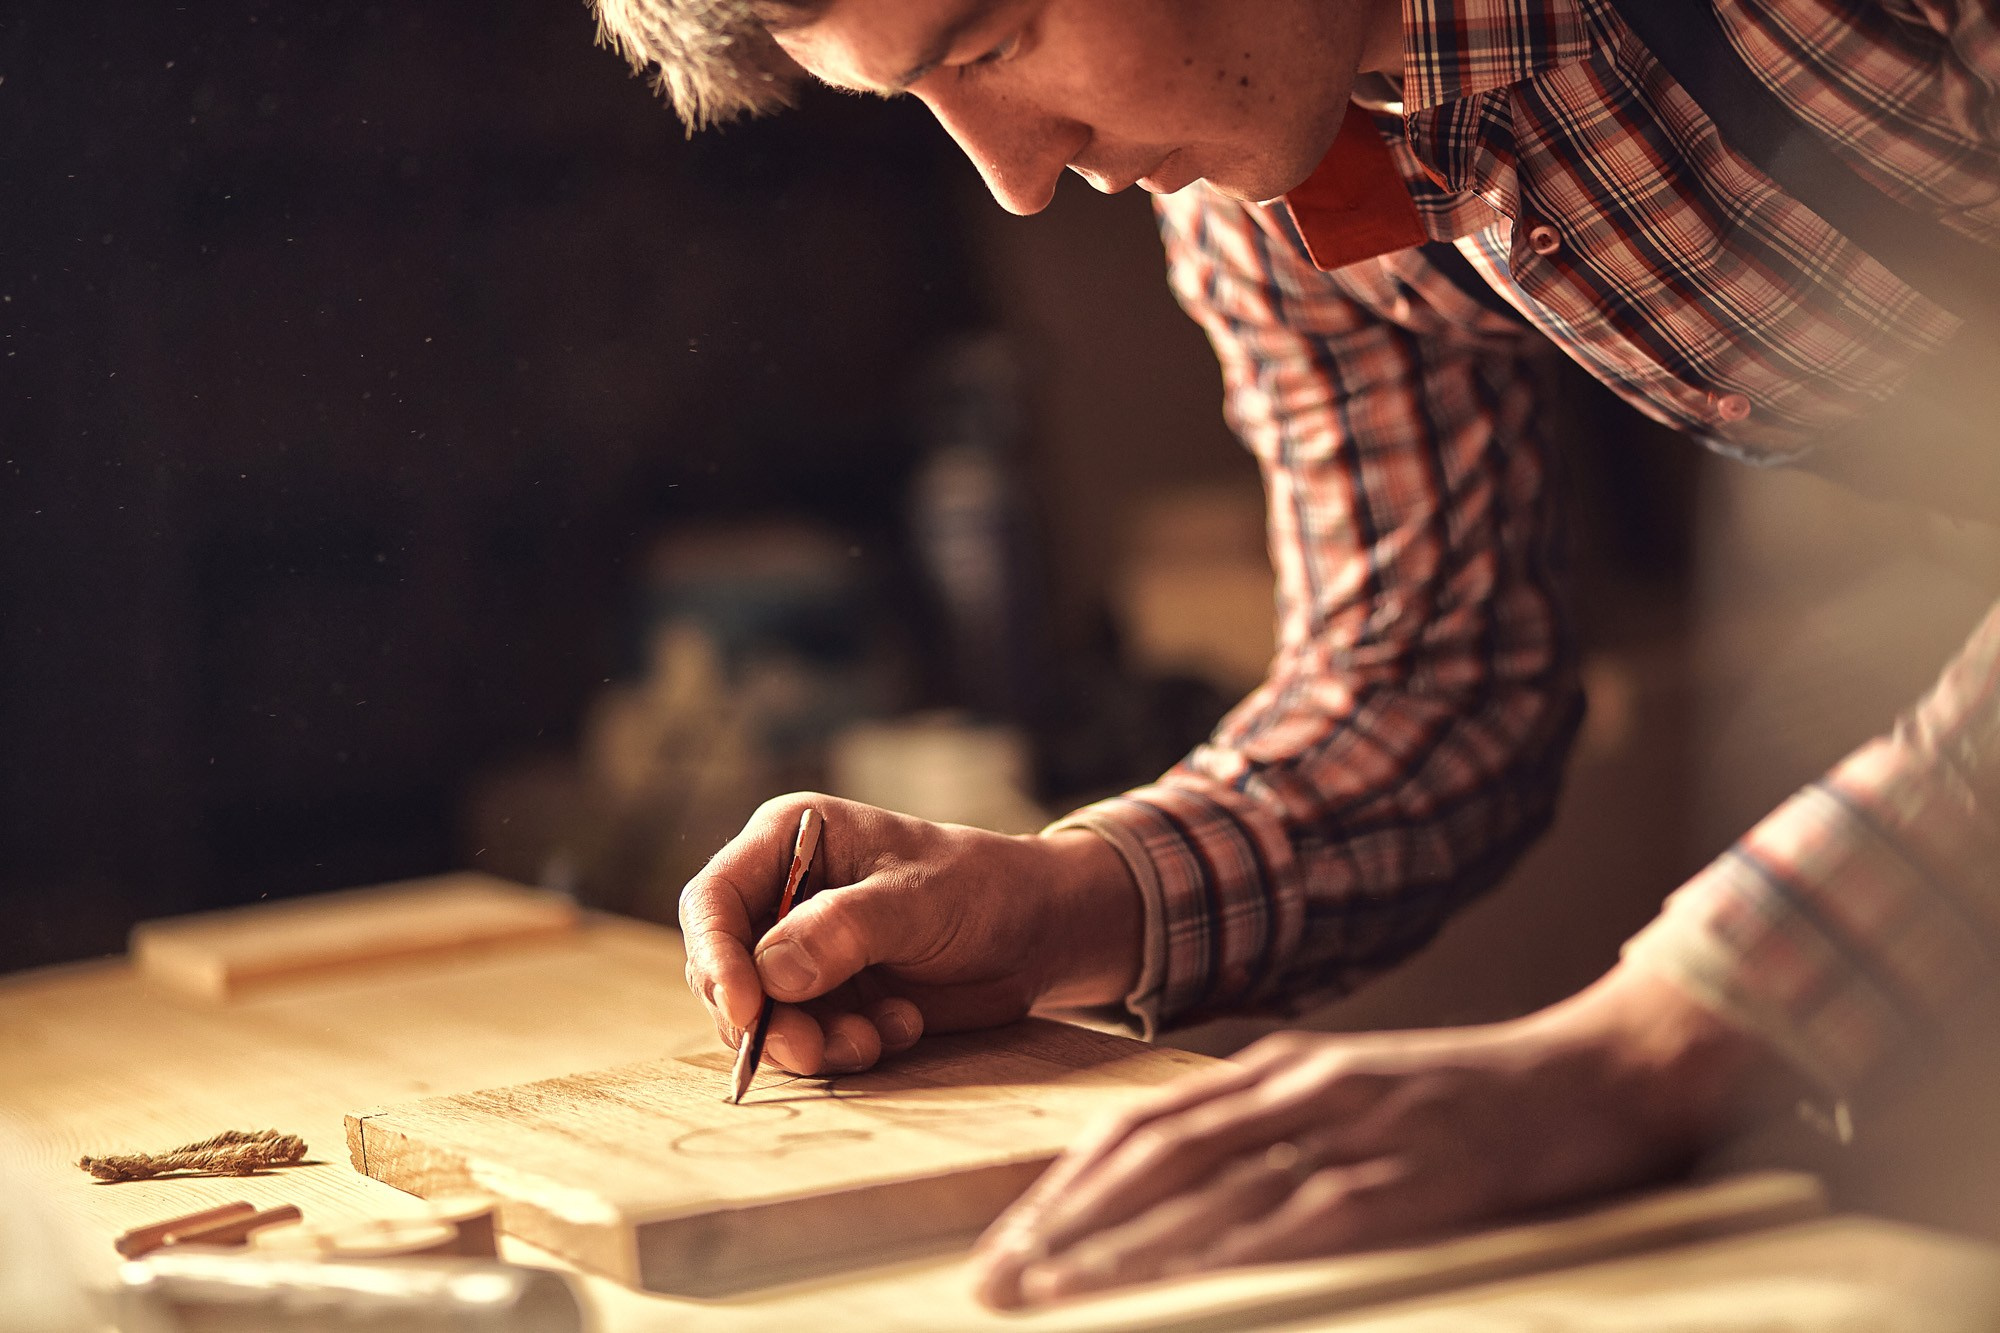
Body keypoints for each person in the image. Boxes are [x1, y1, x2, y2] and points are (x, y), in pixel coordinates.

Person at [593, 0, 2000, 1309]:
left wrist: (1668, 1032)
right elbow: (1429, 678)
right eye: (923, 98)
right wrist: (1073, 902)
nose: (1017, 175)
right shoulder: (1271, 172)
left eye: (999, 38)